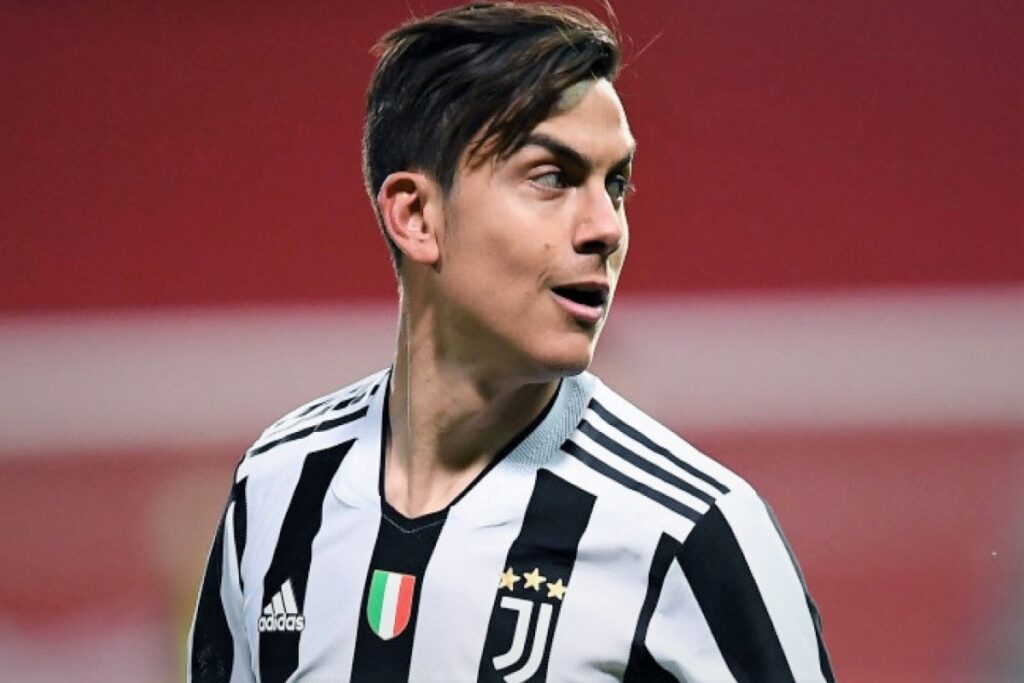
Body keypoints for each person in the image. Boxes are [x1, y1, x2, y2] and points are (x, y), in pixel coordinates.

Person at [188, 3, 834, 681]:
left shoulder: (690, 535)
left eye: (615, 184)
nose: (607, 227)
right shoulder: (277, 489)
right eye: (552, 177)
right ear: (417, 215)